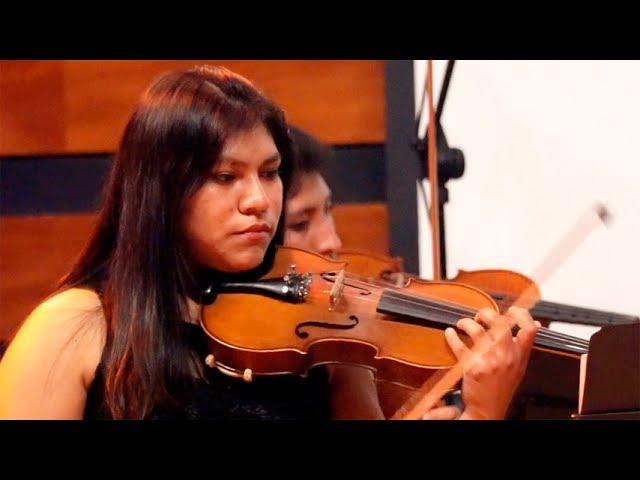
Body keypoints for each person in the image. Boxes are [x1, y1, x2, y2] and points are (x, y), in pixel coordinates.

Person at [0, 65, 538, 420]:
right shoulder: (75, 327)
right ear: (161, 190)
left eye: (270, 172)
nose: (259, 200)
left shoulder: (321, 334)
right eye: (225, 176)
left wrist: (482, 412)